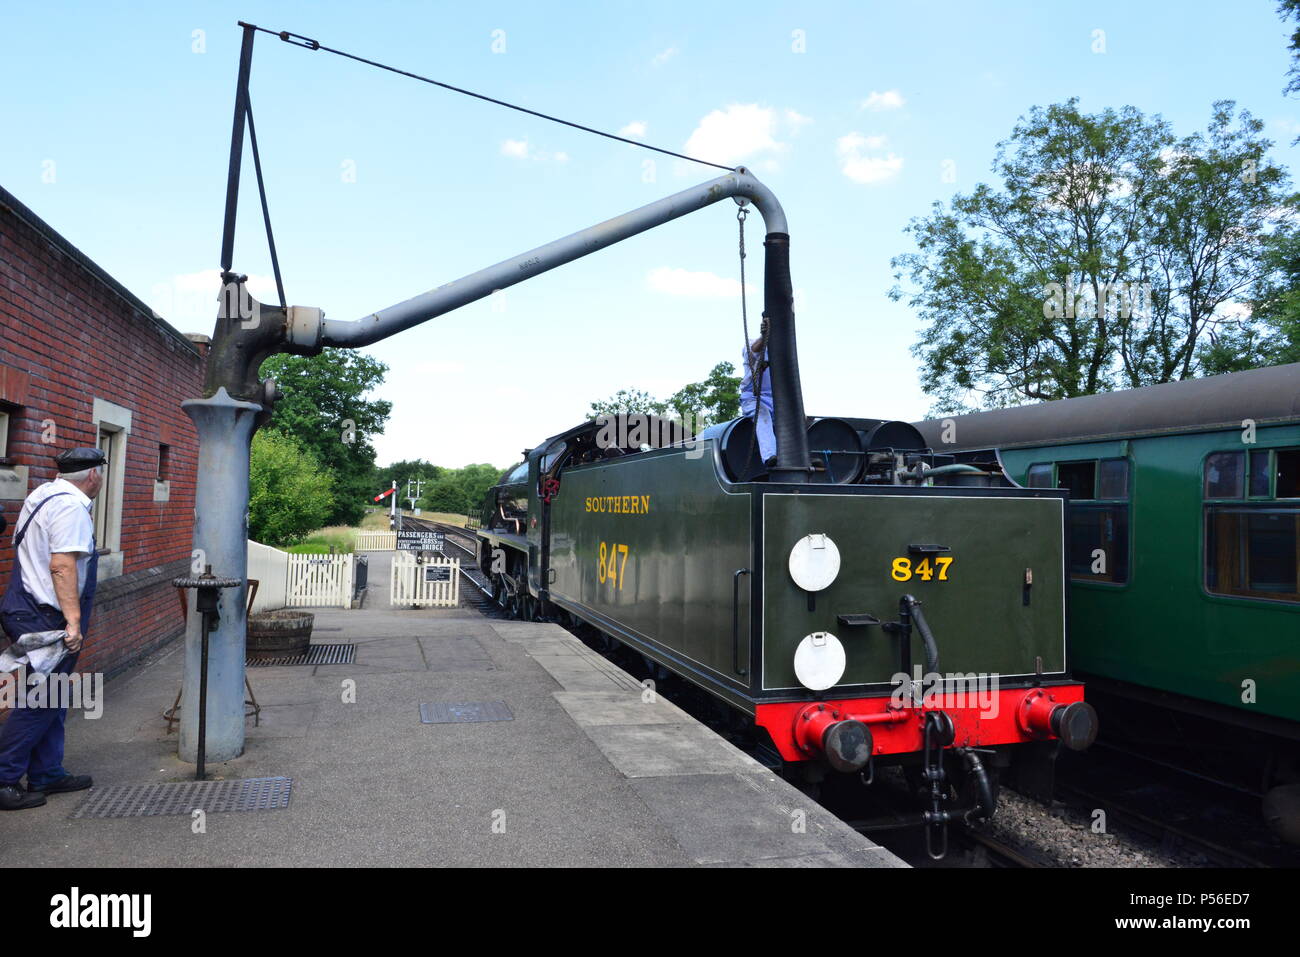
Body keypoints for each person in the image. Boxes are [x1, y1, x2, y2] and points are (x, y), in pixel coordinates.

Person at [0, 447, 104, 811]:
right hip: (44, 616)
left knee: (53, 694)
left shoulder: (43, 494)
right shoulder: (71, 507)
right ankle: (3, 777)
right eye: (101, 475)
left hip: (25, 605)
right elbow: (62, 566)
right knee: (41, 699)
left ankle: (46, 772)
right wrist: (73, 622)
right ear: (93, 476)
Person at [740, 314, 777, 467]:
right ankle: (769, 457)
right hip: (753, 398)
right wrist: (764, 336)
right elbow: (753, 351)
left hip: (777, 401)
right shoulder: (752, 343)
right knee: (762, 415)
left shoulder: (783, 351)